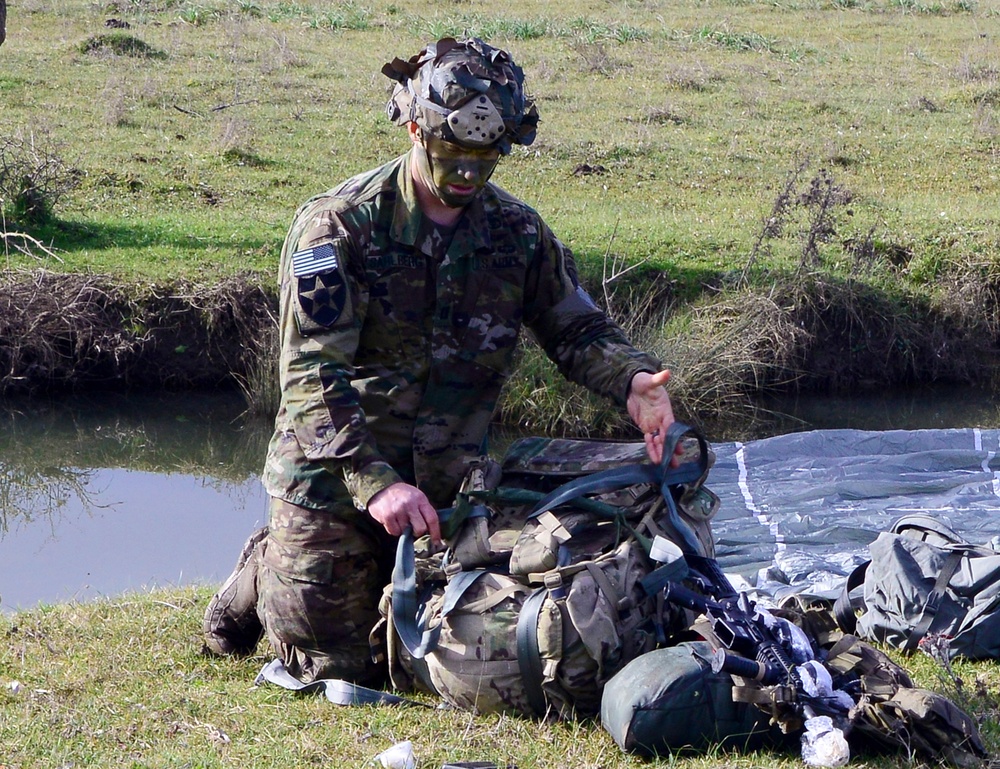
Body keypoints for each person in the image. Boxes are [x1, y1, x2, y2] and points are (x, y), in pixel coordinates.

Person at [203, 36, 677, 685]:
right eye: (451, 154)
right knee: (347, 666)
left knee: (459, 641)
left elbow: (576, 326)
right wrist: (375, 484)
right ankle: (265, 567)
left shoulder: (519, 234)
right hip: (335, 483)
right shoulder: (336, 227)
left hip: (445, 498)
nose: (466, 174)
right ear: (415, 129)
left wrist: (633, 378)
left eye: (484, 158)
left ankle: (369, 567)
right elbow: (312, 374)